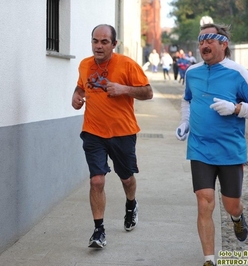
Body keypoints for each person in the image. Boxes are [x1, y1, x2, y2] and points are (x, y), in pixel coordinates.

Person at [175, 23, 248, 266]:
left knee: (231, 205)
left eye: (209, 40)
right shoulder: (192, 72)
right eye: (200, 40)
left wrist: (236, 108)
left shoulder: (237, 72)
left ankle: (237, 218)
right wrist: (185, 122)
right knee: (204, 200)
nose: (203, 45)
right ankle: (209, 259)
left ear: (223, 44)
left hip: (229, 150)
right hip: (199, 147)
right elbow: (187, 100)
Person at [72, 24, 153, 249]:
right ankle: (99, 231)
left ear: (114, 44)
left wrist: (124, 89)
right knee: (96, 180)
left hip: (122, 133)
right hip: (93, 132)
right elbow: (80, 88)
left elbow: (148, 92)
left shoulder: (126, 64)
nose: (99, 46)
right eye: (95, 41)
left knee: (126, 178)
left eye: (104, 42)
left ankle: (131, 204)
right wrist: (76, 97)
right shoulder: (84, 65)